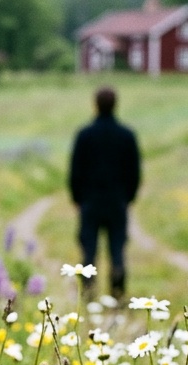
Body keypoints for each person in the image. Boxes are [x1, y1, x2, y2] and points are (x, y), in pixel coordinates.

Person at [68, 87, 141, 300]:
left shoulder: (85, 135)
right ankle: (117, 294)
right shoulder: (126, 135)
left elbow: (75, 170)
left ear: (95, 104)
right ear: (115, 104)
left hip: (90, 202)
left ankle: (88, 295)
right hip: (117, 201)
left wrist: (77, 198)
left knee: (89, 251)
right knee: (117, 250)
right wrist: (128, 197)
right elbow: (134, 172)